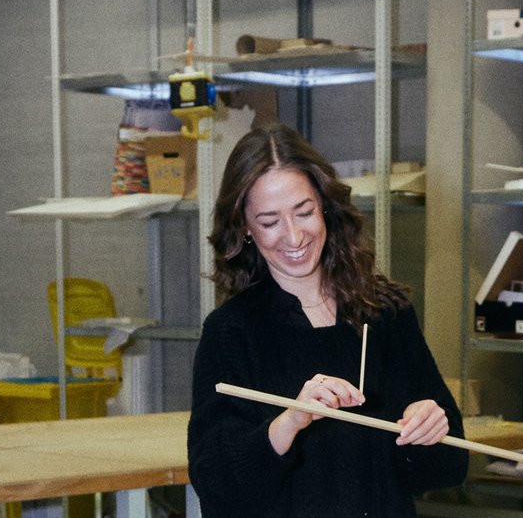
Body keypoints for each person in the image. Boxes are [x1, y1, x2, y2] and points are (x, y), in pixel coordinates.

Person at [187, 124, 467, 516]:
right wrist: (289, 422)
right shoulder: (232, 332)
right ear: (245, 229)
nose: (294, 236)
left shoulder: (385, 313)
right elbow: (216, 484)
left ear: (325, 208)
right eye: (269, 222)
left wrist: (434, 427)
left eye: (304, 212)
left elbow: (446, 470)